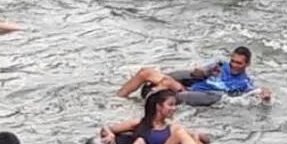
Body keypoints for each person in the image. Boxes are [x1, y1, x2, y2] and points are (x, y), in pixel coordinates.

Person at [116, 46, 271, 103]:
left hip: (193, 94)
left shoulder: (243, 82)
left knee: (168, 83)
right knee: (145, 72)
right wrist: (203, 71)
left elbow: (253, 93)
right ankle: (117, 99)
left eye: (239, 63)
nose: (234, 65)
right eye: (233, 61)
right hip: (187, 87)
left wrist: (265, 95)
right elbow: (197, 73)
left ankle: (149, 102)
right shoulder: (221, 66)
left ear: (247, 64)